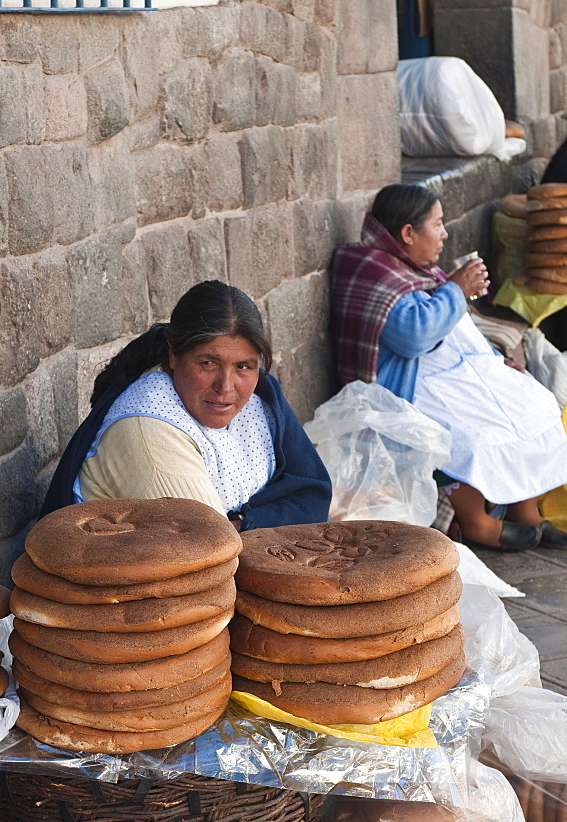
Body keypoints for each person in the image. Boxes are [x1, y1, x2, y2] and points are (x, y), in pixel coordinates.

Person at [330, 183, 567, 551]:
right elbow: (413, 335)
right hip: (411, 384)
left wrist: (494, 358)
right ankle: (479, 525)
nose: (444, 233)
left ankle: (527, 511)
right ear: (408, 233)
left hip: (454, 370)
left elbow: (458, 331)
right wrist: (456, 289)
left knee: (535, 403)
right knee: (472, 433)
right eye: (437, 225)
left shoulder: (413, 268)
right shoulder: (371, 272)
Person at [41, 280, 331, 530]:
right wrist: (264, 519)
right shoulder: (149, 432)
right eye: (208, 363)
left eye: (243, 366)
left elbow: (313, 495)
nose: (226, 387)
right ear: (173, 355)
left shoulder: (262, 399)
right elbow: (212, 552)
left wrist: (243, 523)